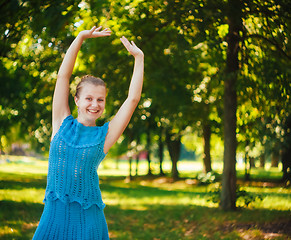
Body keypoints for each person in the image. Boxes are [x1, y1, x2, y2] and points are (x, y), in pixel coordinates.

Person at [32, 26, 144, 239]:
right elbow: (63, 77)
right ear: (77, 100)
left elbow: (133, 99)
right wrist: (80, 37)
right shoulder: (60, 122)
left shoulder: (104, 135)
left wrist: (139, 59)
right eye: (89, 98)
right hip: (53, 217)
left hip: (87, 222)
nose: (95, 104)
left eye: (100, 99)